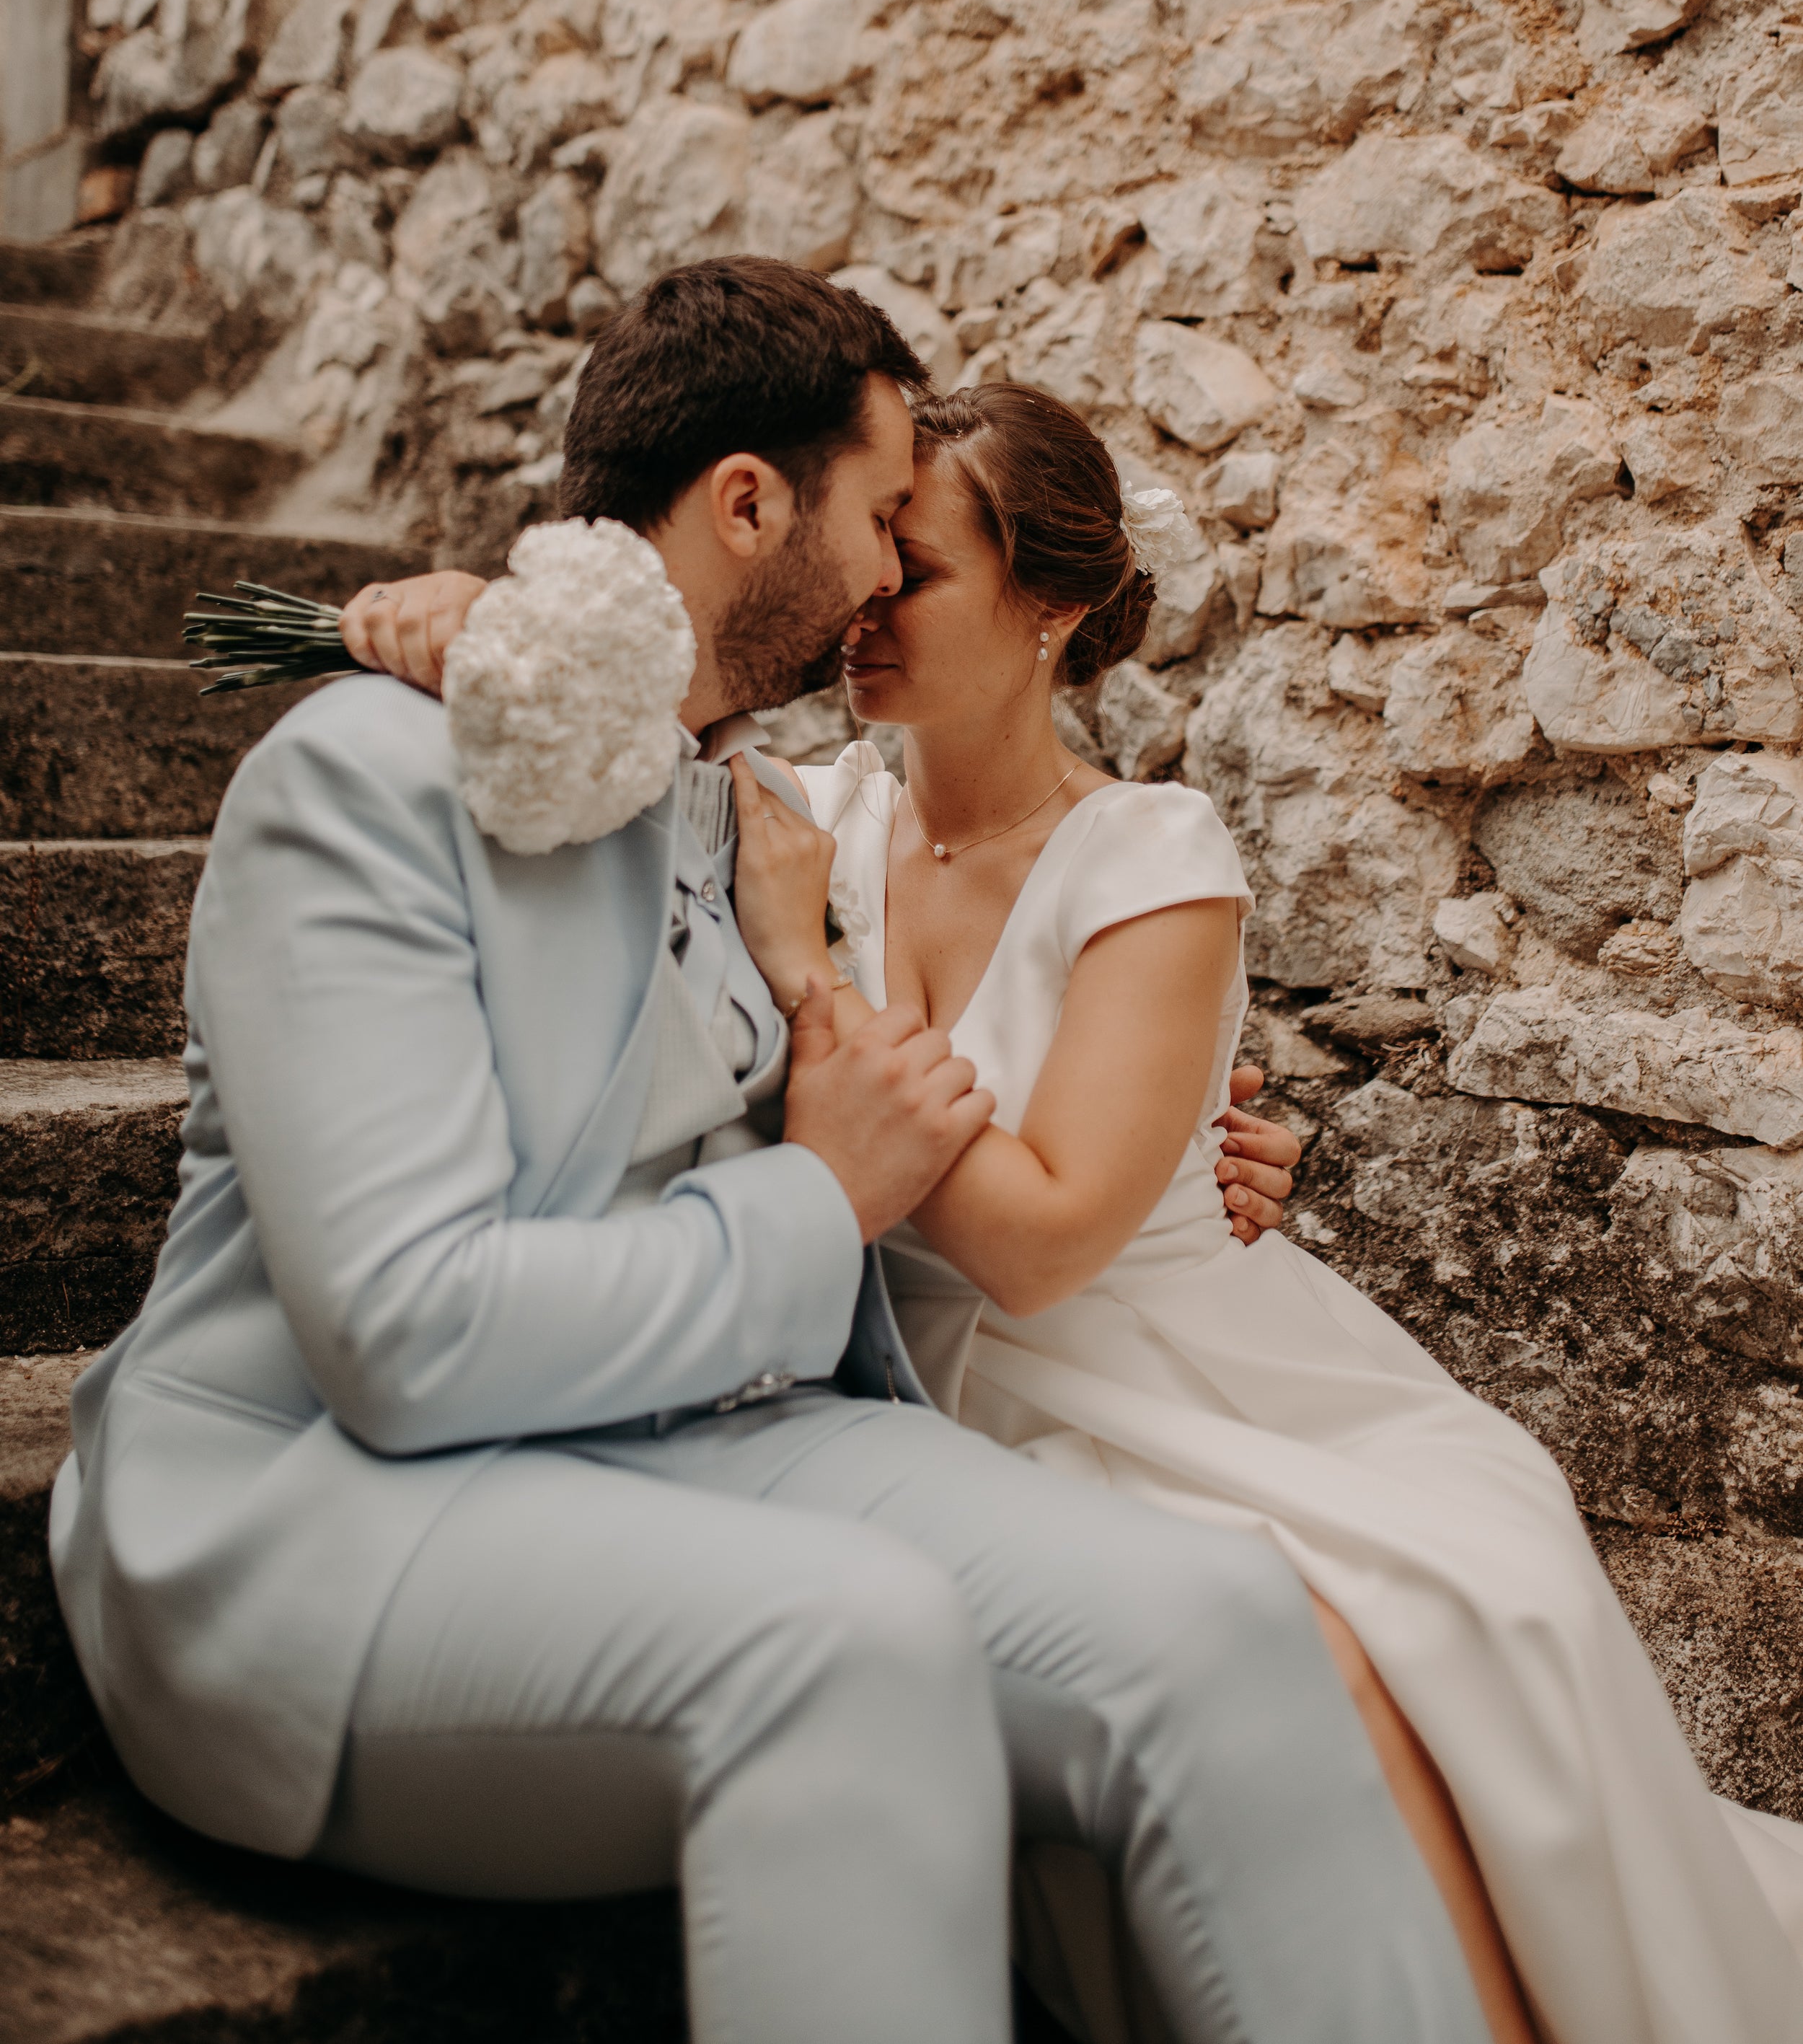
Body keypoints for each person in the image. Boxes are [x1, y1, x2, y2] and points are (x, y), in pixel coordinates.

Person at [49, 262, 1493, 2044]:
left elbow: (992, 1036)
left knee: (1220, 1619)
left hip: (703, 1433)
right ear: (749, 503)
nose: (893, 573)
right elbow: (408, 1335)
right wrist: (820, 1196)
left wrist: (1202, 1126)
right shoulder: (358, 778)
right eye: (884, 515)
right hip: (321, 1499)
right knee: (850, 1644)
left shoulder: (764, 814)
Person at [359, 363, 1803, 2044]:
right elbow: (618, 729)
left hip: (1181, 1382)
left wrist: (805, 973)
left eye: (921, 565)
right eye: (872, 548)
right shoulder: (808, 811)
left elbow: (1043, 1246)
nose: (865, 598)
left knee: (1405, 1640)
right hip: (911, 1406)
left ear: (1048, 606)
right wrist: (475, 617)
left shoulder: (1146, 851)